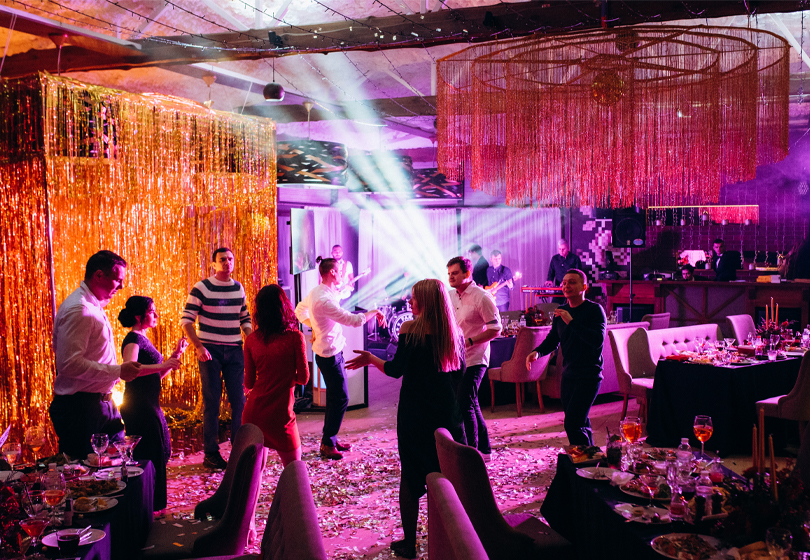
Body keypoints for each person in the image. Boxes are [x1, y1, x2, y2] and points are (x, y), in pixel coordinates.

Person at [346, 279, 464, 559]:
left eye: (413, 297)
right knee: (445, 475)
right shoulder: (454, 332)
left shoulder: (410, 329)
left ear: (425, 300)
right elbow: (459, 375)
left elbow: (395, 369)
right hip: (447, 412)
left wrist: (370, 358)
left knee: (411, 476)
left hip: (416, 412)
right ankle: (447, 542)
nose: (409, 302)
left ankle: (409, 543)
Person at [49, 250, 142, 460]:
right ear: (99, 275)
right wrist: (118, 371)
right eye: (118, 280)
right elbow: (69, 364)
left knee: (116, 466)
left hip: (100, 405)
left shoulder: (92, 305)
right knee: (85, 473)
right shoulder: (80, 309)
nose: (122, 287)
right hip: (81, 408)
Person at [295, 256, 386, 460]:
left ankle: (330, 439)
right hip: (329, 355)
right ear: (332, 272)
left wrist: (314, 326)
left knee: (336, 398)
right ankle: (328, 443)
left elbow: (300, 310)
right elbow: (353, 321)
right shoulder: (324, 299)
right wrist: (374, 312)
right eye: (340, 270)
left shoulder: (320, 291)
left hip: (330, 352)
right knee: (341, 399)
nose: (343, 274)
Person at [181, 247, 252, 470]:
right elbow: (186, 320)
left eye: (230, 259)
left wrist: (252, 341)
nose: (227, 263)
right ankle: (211, 453)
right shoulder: (202, 287)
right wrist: (198, 346)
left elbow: (245, 318)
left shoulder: (238, 288)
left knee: (239, 401)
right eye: (222, 259)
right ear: (214, 264)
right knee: (212, 403)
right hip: (209, 350)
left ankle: (239, 449)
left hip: (234, 349)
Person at [118, 296, 187, 514]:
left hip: (149, 405)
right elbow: (129, 368)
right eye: (151, 312)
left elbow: (155, 375)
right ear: (139, 316)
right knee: (149, 456)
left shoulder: (143, 338)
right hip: (139, 407)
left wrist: (175, 356)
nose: (156, 315)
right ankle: (147, 508)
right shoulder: (133, 339)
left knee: (158, 453)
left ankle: (153, 507)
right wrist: (163, 364)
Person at [527, 269, 606, 447]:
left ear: (584, 287)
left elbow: (596, 341)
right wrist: (537, 352)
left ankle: (582, 458)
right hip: (568, 374)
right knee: (580, 421)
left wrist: (571, 321)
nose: (566, 286)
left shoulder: (594, 310)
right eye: (564, 283)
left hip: (589, 375)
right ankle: (591, 458)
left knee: (572, 423)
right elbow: (553, 339)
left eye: (571, 282)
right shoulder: (561, 311)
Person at [243, 285, 310, 466]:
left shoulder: (251, 340)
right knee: (294, 469)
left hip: (254, 413)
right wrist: (285, 375)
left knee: (254, 474)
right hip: (281, 416)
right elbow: (304, 378)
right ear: (284, 307)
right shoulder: (295, 338)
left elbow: (249, 382)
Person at [447, 256, 501, 458]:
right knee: (470, 402)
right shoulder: (450, 296)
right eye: (449, 274)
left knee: (464, 403)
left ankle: (473, 454)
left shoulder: (482, 296)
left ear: (467, 274)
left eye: (455, 273)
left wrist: (469, 342)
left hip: (476, 358)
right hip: (457, 359)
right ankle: (485, 450)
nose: (451, 277)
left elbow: (496, 329)